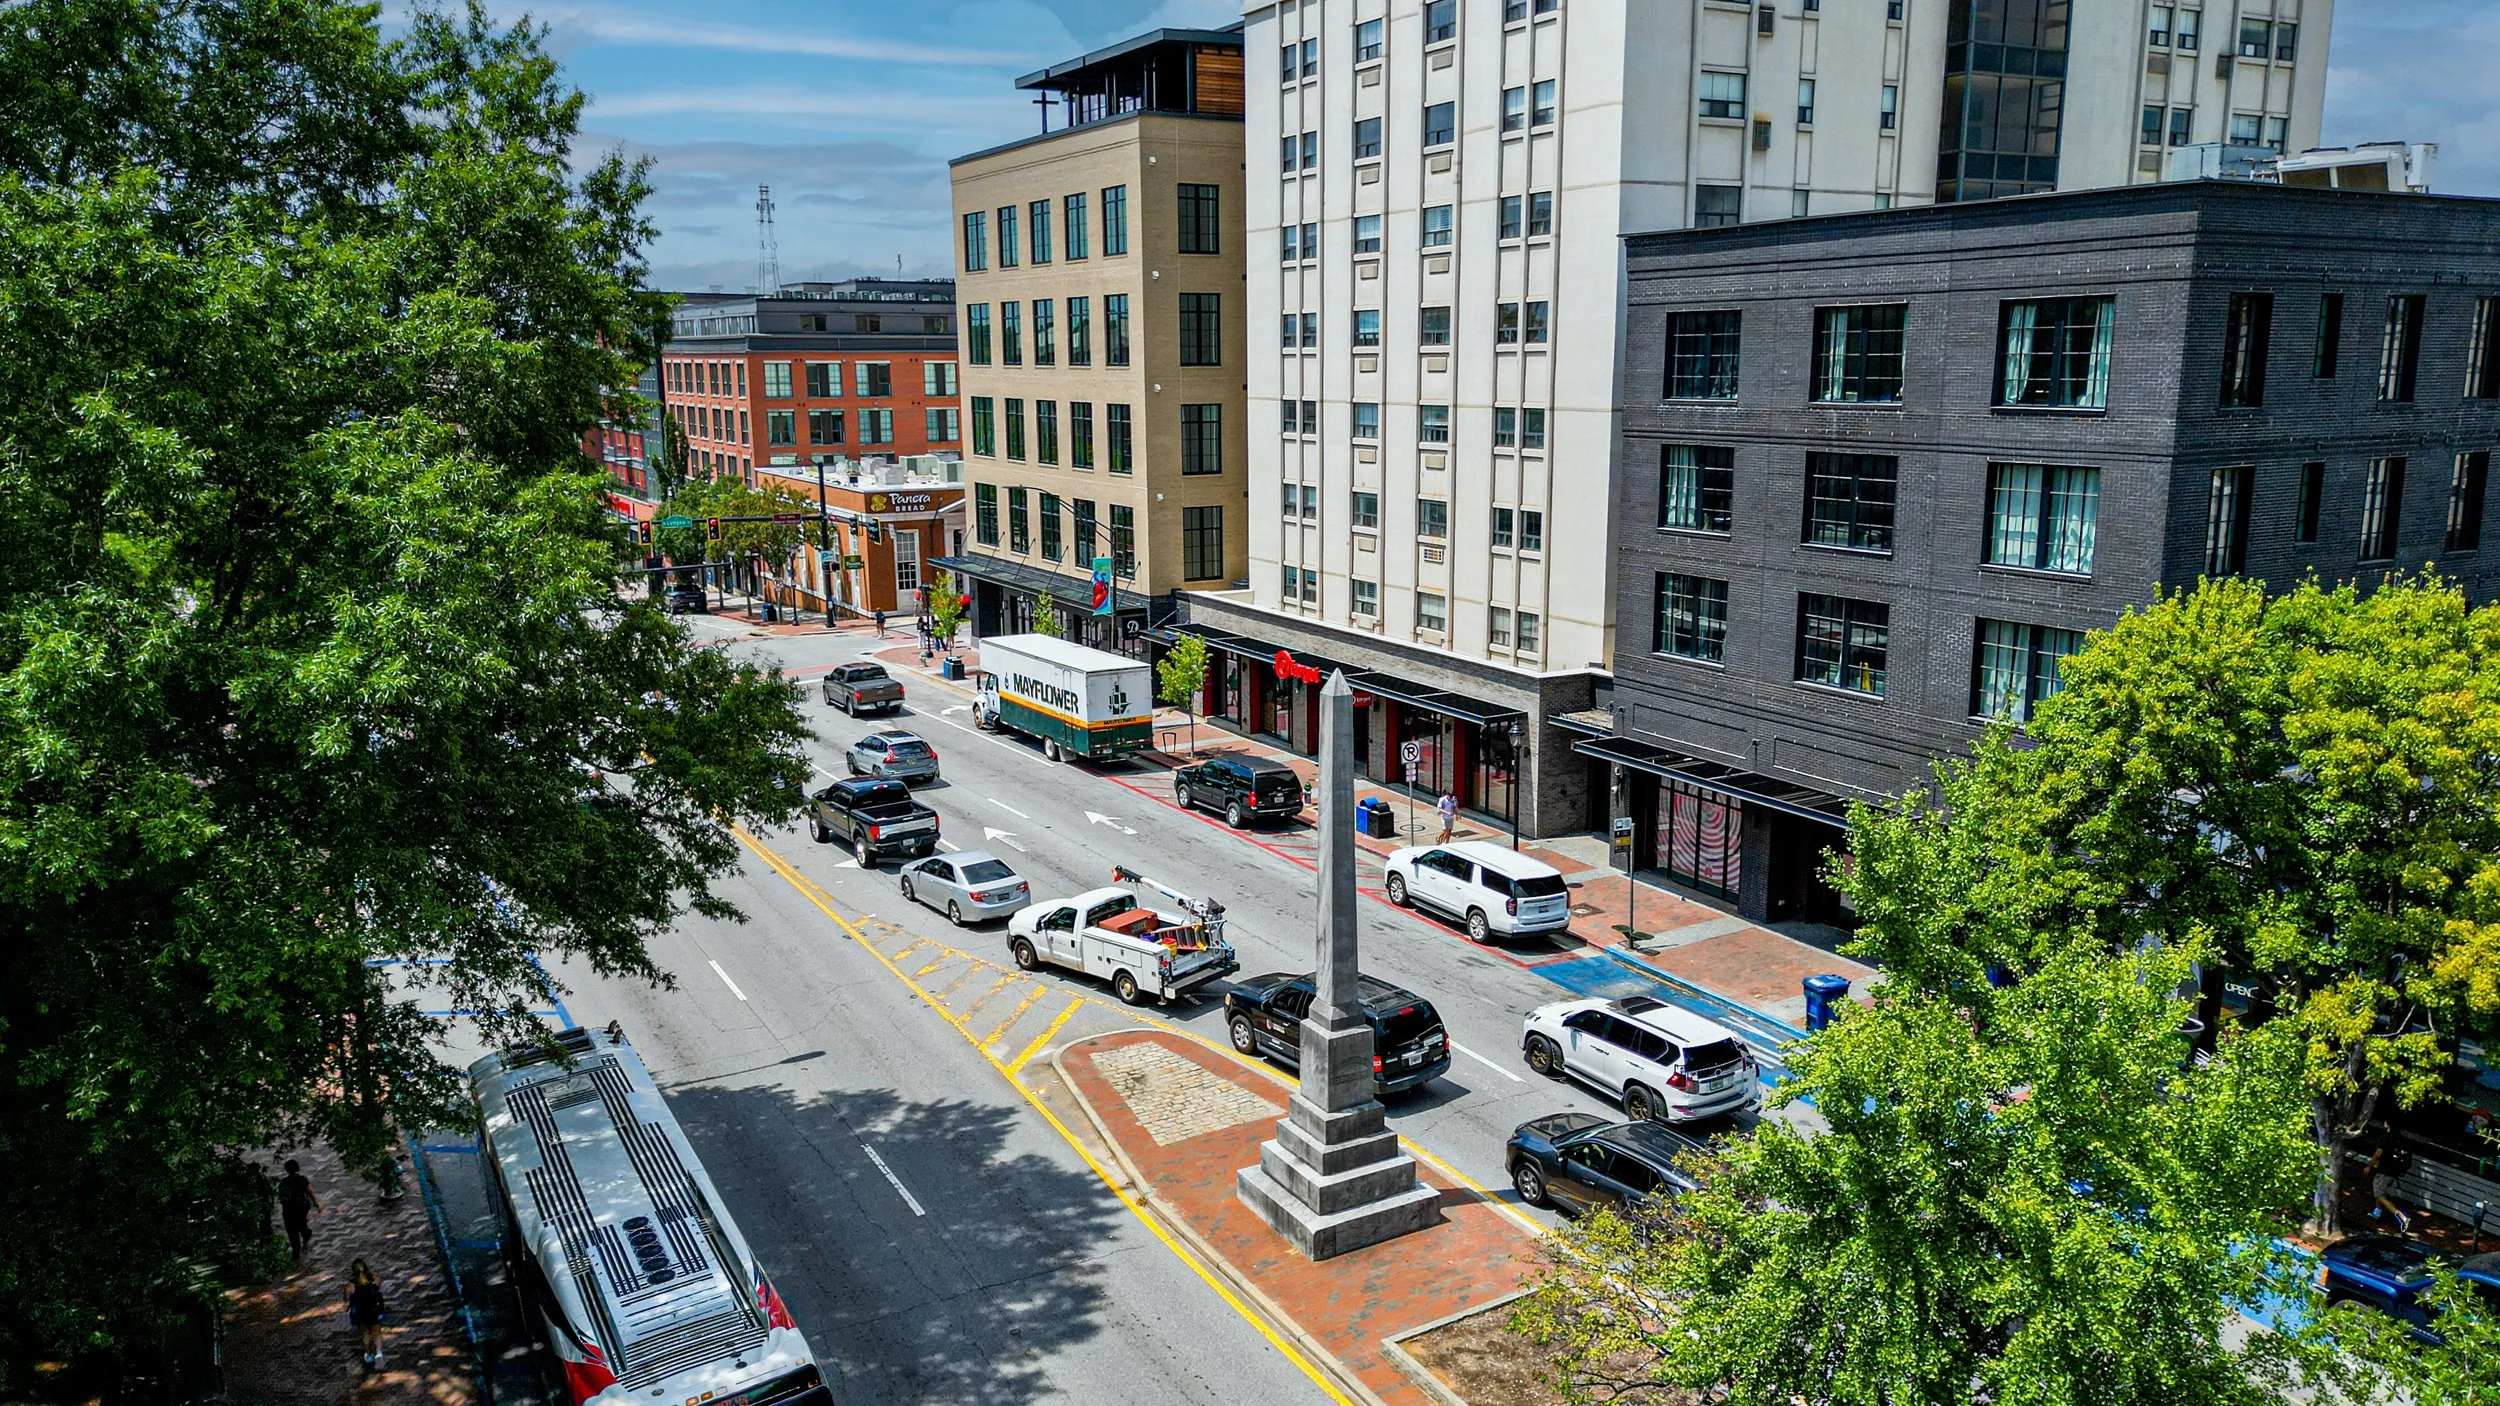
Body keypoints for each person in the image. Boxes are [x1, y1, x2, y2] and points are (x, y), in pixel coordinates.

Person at [2369, 1127, 2414, 1231]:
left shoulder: (2385, 1138)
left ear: (2387, 1124)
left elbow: (2377, 1154)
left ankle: (2401, 1217)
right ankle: (2377, 1213)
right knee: (2380, 1191)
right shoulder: (2402, 1140)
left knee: (2379, 1194)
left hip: (2384, 1171)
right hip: (2394, 1172)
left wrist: (2369, 1166)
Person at [346, 1259, 387, 1370]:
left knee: (365, 1333)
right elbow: (378, 1288)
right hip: (375, 1310)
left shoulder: (351, 1285)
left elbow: (346, 1298)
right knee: (377, 1332)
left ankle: (368, 1355)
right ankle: (379, 1353)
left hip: (361, 1312)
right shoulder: (375, 1278)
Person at [278, 1158, 319, 1262]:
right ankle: (305, 1233)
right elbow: (310, 1192)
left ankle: (296, 1250)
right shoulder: (302, 1179)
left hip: (288, 1210)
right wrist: (316, 1204)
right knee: (302, 1224)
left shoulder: (283, 1182)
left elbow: (281, 1197)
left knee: (292, 1230)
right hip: (301, 1208)